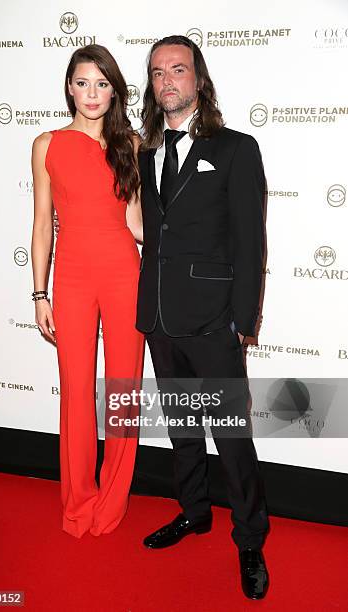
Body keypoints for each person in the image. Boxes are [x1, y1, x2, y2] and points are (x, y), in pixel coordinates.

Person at [136, 35, 270, 600]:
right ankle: (194, 512)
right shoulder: (145, 152)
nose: (168, 80)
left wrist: (244, 321)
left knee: (231, 436)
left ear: (198, 79)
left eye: (179, 70)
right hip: (160, 318)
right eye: (158, 72)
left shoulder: (237, 149)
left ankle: (249, 540)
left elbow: (249, 241)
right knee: (183, 428)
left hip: (215, 320)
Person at [31, 44, 144, 539]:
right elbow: (41, 226)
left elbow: (139, 223)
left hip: (126, 273)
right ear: (69, 87)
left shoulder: (133, 145)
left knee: (123, 390)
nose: (92, 93)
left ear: (114, 89)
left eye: (102, 83)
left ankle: (113, 497)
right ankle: (78, 501)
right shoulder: (47, 144)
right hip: (72, 278)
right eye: (82, 82)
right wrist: (40, 295)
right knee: (76, 391)